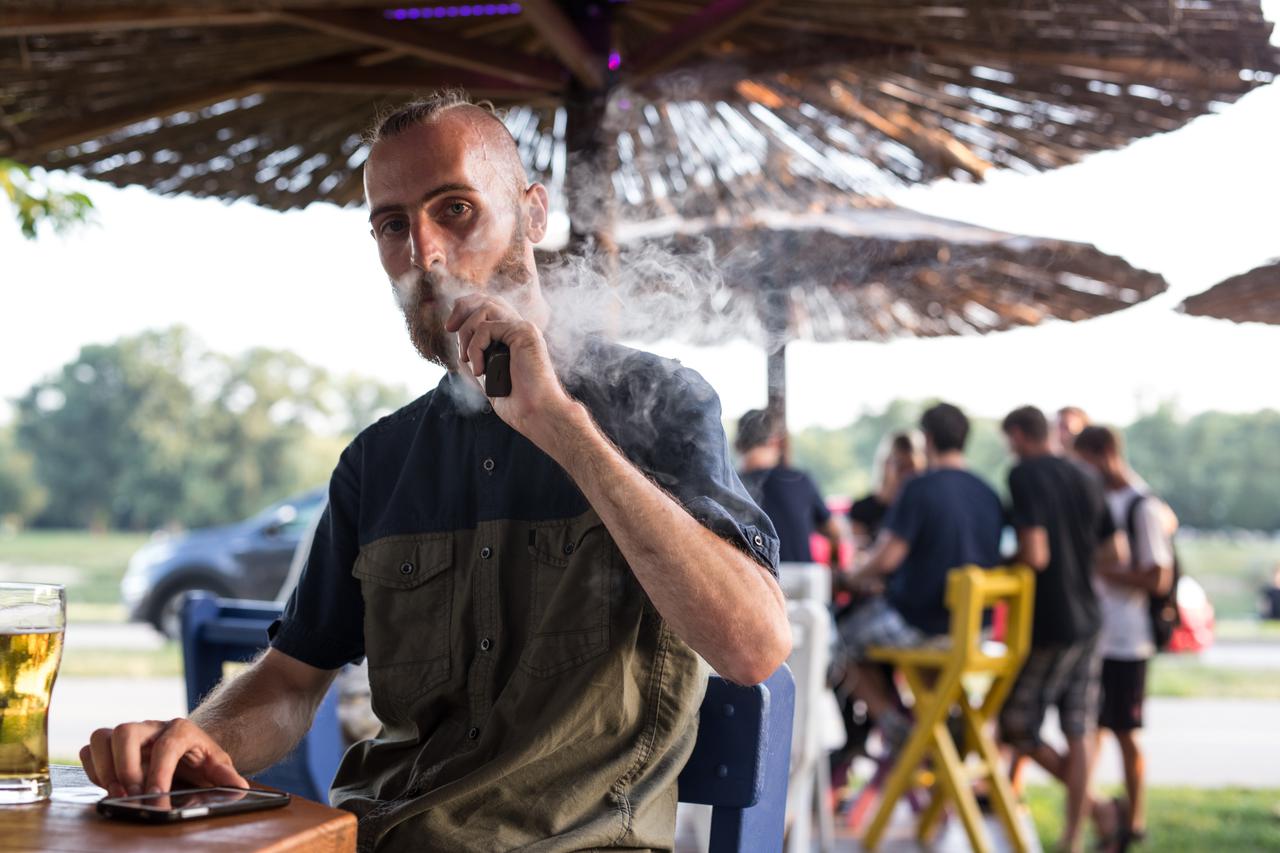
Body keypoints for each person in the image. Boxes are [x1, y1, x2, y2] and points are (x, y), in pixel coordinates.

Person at [78, 91, 792, 852]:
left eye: (453, 208)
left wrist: (561, 428)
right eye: (391, 225)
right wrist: (193, 737)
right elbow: (289, 683)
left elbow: (752, 646)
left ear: (533, 214)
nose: (422, 254)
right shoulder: (377, 463)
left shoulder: (658, 406)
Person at [837, 403, 1004, 750]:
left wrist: (853, 575)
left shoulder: (919, 488)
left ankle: (892, 723)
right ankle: (939, 720)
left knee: (838, 637)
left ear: (927, 439)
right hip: (978, 629)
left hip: (926, 628)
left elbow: (886, 560)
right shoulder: (988, 493)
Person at [999, 406, 1123, 853]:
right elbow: (1114, 552)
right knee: (1079, 726)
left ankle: (1096, 811)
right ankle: (1081, 830)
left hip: (1051, 621)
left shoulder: (1024, 474)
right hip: (1090, 618)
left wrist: (1001, 567)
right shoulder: (1086, 476)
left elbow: (1035, 554)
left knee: (1016, 725)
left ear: (1016, 435)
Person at [1074, 426, 1175, 850]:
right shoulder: (1102, 500)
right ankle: (1097, 822)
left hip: (1128, 639)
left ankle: (1134, 821)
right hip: (1097, 636)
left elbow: (1158, 577)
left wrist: (1101, 570)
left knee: (1125, 733)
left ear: (1102, 454)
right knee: (1091, 733)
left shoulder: (1140, 506)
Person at [736, 407, 844, 568]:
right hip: (803, 584)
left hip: (751, 583)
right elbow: (835, 532)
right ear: (775, 442)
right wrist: (835, 569)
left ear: (738, 445)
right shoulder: (800, 481)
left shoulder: (729, 487)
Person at [847, 431, 923, 550]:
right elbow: (858, 554)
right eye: (901, 467)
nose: (907, 476)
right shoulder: (862, 509)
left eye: (912, 470)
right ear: (885, 464)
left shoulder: (922, 508)